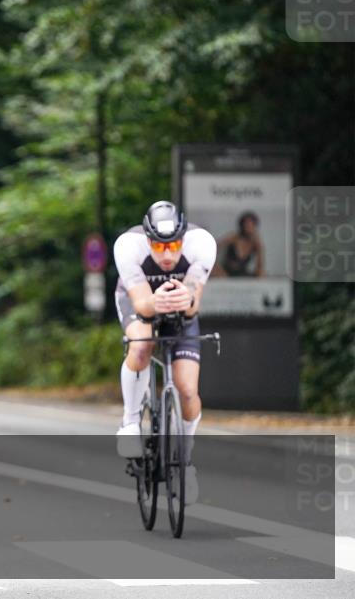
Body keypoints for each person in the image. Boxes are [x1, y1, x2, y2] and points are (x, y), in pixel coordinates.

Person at [112, 201, 216, 504]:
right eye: (159, 247)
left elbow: (194, 305)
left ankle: (185, 460)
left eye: (174, 246)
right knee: (142, 345)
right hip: (140, 303)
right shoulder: (129, 247)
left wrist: (188, 298)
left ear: (184, 239)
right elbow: (143, 305)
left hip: (180, 312)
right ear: (148, 241)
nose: (168, 255)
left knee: (186, 389)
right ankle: (130, 421)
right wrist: (157, 302)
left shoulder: (202, 244)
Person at [213, 211, 265, 277]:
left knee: (262, 274)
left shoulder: (256, 243)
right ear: (242, 225)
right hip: (225, 272)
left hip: (242, 273)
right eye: (246, 225)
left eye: (251, 225)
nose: (248, 227)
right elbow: (214, 247)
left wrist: (260, 249)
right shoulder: (233, 238)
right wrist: (216, 267)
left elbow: (260, 267)